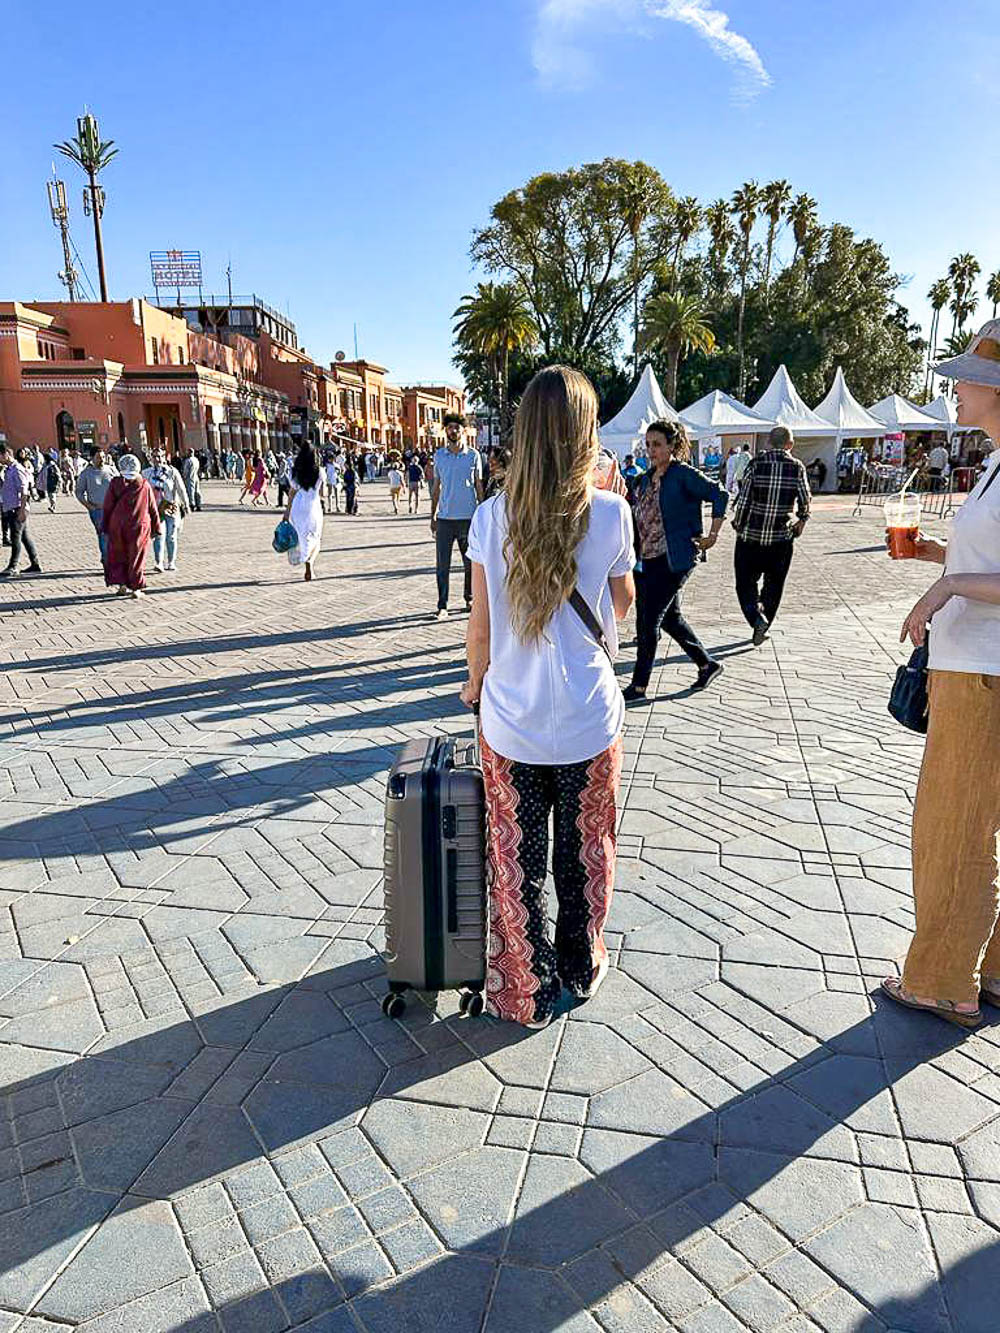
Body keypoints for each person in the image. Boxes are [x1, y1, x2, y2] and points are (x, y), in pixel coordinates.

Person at [461, 365, 635, 1027]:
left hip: (511, 721)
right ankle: (579, 964)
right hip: (590, 719)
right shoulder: (613, 512)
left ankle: (523, 991)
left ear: (526, 435)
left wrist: (475, 681)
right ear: (585, 434)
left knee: (515, 859)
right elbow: (623, 603)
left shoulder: (489, 516)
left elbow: (479, 627)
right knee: (587, 851)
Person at [881, 320, 1000, 1030]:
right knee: (975, 818)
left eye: (966, 378)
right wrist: (933, 556)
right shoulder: (992, 464)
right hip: (975, 663)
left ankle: (941, 979)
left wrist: (946, 585)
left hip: (981, 671)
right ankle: (987, 970)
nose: (954, 389)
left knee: (952, 822)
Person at [623, 420, 728, 700]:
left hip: (674, 559)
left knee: (648, 622)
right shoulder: (644, 479)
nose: (651, 450)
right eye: (648, 444)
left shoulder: (683, 475)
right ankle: (707, 664)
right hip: (645, 560)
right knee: (671, 618)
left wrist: (713, 534)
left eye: (657, 444)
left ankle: (639, 686)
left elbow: (720, 494)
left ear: (672, 445)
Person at [731, 425, 811, 645]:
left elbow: (745, 499)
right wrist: (802, 520)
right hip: (781, 539)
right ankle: (764, 622)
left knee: (745, 584)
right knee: (774, 585)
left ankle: (757, 619)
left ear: (768, 442)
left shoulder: (756, 464)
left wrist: (738, 523)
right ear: (790, 445)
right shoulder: (797, 467)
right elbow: (805, 499)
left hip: (751, 537)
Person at [430, 413, 483, 620]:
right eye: (450, 428)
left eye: (457, 428)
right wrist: (432, 515)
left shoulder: (473, 455)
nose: (453, 431)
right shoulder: (439, 456)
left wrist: (482, 512)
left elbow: (478, 485)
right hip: (444, 519)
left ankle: (469, 598)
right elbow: (437, 486)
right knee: (442, 565)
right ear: (446, 431)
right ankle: (442, 605)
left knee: (470, 563)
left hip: (468, 518)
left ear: (463, 431)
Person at [102, 454, 160, 599]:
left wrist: (104, 525)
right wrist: (157, 527)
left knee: (119, 555)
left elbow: (108, 505)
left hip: (117, 525)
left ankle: (122, 584)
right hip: (139, 526)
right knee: (137, 556)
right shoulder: (144, 484)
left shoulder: (115, 483)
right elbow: (152, 507)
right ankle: (136, 587)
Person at [142, 447, 191, 573]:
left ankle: (171, 561)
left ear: (165, 457)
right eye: (155, 457)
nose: (158, 459)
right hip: (156, 509)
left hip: (171, 507)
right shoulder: (146, 473)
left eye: (160, 456)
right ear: (151, 458)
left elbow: (181, 489)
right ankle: (159, 562)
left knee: (171, 536)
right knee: (159, 535)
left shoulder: (172, 472)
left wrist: (186, 504)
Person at [283, 441, 324, 581]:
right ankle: (310, 564)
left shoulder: (294, 472)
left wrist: (286, 513)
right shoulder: (319, 471)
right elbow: (322, 492)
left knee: (301, 536)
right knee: (315, 537)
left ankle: (302, 557)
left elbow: (291, 493)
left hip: (297, 506)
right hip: (313, 506)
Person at [0, 446, 42, 578]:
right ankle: (35, 564)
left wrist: (22, 510)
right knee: (24, 537)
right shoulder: (9, 469)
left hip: (17, 508)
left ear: (6, 454)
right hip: (12, 507)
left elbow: (24, 492)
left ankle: (13, 566)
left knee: (15, 537)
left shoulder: (17, 469)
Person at [75, 446, 117, 567]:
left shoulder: (112, 470)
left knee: (115, 535)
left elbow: (120, 486)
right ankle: (107, 560)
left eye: (103, 457)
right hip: (97, 510)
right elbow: (79, 492)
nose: (102, 460)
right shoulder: (86, 473)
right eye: (98, 457)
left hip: (114, 509)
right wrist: (88, 506)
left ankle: (113, 558)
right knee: (103, 535)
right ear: (92, 458)